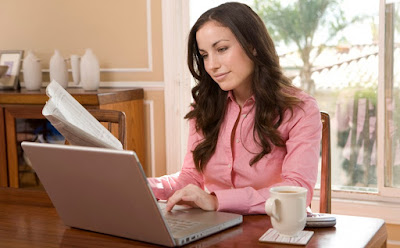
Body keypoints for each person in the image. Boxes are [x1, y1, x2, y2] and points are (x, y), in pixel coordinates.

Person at [148, 2, 322, 215]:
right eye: (204, 55)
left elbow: (297, 188)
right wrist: (145, 185)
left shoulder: (300, 109)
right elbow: (191, 177)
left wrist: (216, 201)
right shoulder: (205, 107)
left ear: (252, 46)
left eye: (221, 49)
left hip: (274, 227)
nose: (212, 65)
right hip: (216, 227)